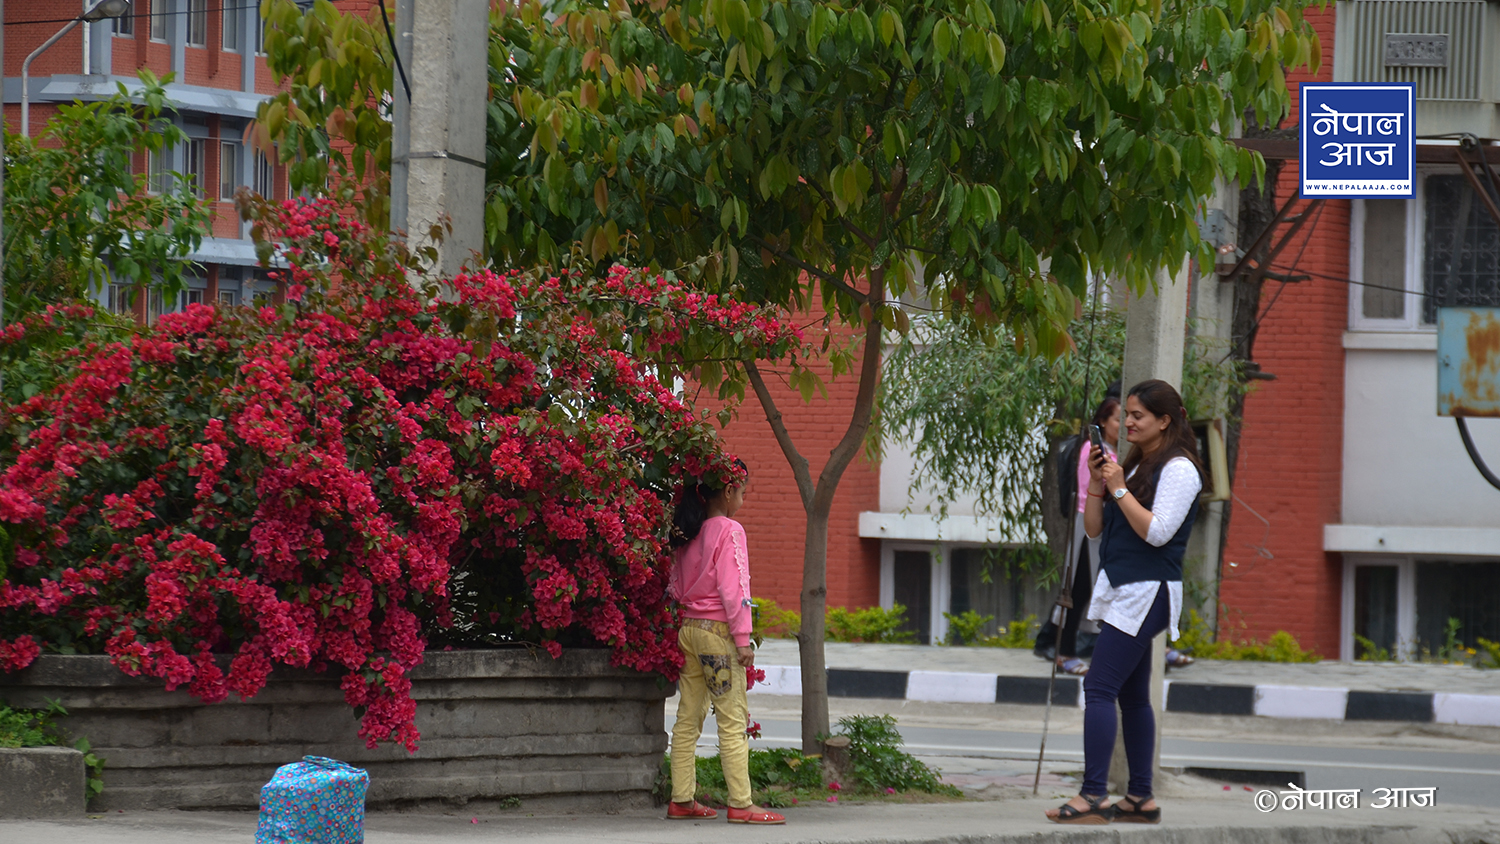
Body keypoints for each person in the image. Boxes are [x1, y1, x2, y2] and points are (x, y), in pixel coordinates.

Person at [1046, 380, 1204, 826]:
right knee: (1133, 696)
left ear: (1164, 421)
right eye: (1126, 415)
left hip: (1147, 590)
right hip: (1123, 586)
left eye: (1137, 415)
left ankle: (1094, 795)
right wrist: (1100, 483)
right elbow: (1094, 530)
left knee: (1098, 687)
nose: (1128, 422)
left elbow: (1157, 532)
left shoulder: (1179, 469)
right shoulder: (1136, 464)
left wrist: (1118, 488)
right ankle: (1140, 799)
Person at [665, 462, 786, 825]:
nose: (743, 500)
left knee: (688, 719)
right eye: (744, 492)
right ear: (730, 491)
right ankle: (741, 803)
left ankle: (681, 799)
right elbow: (734, 591)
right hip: (718, 635)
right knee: (733, 718)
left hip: (689, 630)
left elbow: (674, 586)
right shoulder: (729, 530)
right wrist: (743, 639)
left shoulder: (688, 531)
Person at [1053, 396, 1120, 676]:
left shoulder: (1113, 451)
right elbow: (1088, 490)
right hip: (1088, 525)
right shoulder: (1094, 451)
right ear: (1102, 422)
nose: (1124, 425)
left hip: (1102, 526)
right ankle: (1064, 652)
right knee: (1077, 591)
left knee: (1094, 590)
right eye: (1118, 419)